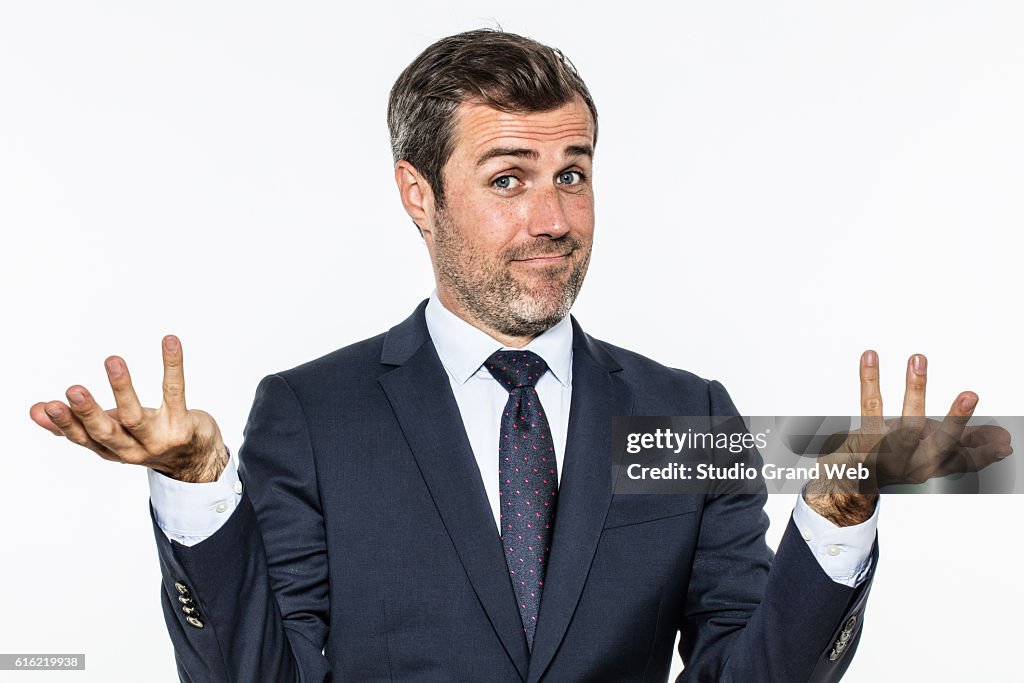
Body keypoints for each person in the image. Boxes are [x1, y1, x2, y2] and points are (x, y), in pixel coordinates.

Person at [28, 29, 1011, 682]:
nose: (552, 218)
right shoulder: (314, 415)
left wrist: (835, 512)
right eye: (508, 177)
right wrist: (200, 489)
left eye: (571, 173)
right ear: (418, 194)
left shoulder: (683, 420)